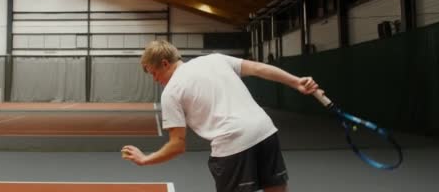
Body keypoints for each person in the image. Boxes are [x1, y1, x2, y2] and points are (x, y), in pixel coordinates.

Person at [121, 40, 321, 192]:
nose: (155, 80)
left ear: (164, 63)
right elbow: (259, 68)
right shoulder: (214, 58)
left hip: (233, 145)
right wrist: (296, 82)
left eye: (153, 73)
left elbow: (177, 145)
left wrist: (146, 159)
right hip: (265, 131)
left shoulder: (171, 92)